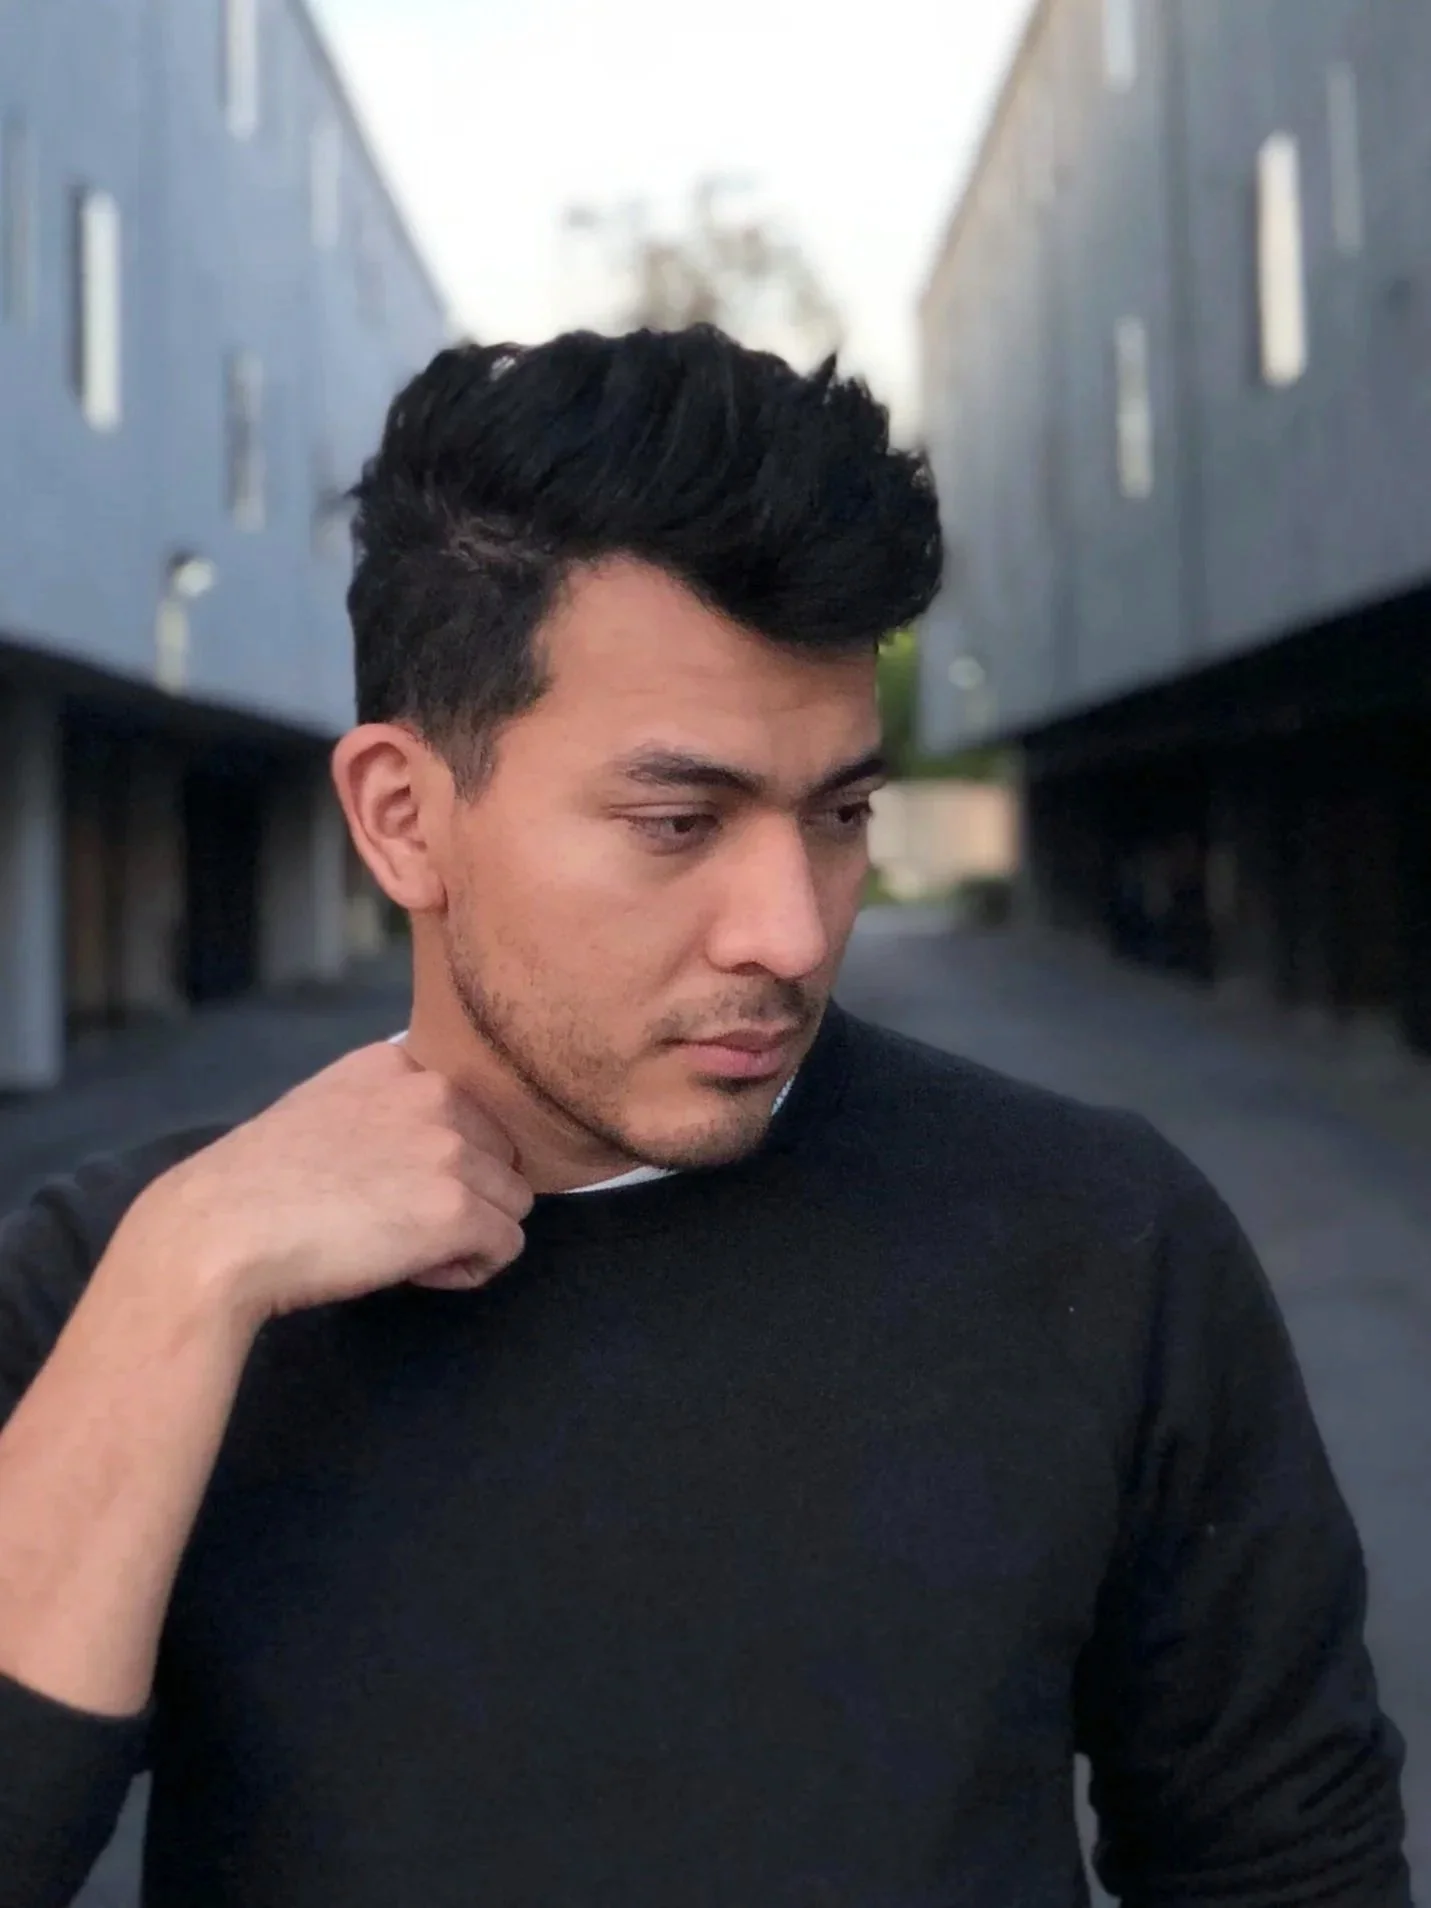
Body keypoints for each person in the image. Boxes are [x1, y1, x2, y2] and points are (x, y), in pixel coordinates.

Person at [0, 327, 1410, 1908]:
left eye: (840, 815)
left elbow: (1286, 1864)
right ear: (404, 818)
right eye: (678, 823)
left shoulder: (1097, 1240)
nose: (792, 933)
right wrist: (182, 1282)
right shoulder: (125, 1284)